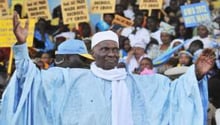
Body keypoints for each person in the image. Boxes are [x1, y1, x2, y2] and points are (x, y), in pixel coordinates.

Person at [0, 12, 216, 125]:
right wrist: (20, 45)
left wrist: (195, 73)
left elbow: (173, 92)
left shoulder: (136, 82)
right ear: (93, 53)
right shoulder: (70, 78)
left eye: (115, 49)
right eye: (105, 49)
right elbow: (30, 78)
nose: (112, 53)